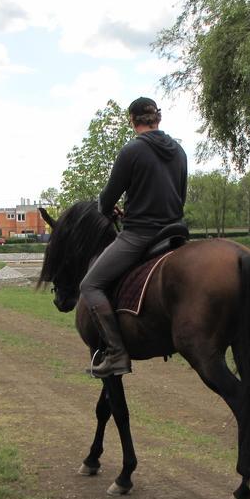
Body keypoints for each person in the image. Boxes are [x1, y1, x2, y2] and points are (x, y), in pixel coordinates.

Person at [78, 97, 188, 378]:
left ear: (132, 120)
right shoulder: (180, 152)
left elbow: (107, 199)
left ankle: (116, 353)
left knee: (90, 285)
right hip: (175, 232)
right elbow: (180, 197)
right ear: (158, 119)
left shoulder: (132, 151)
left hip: (141, 236)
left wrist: (110, 209)